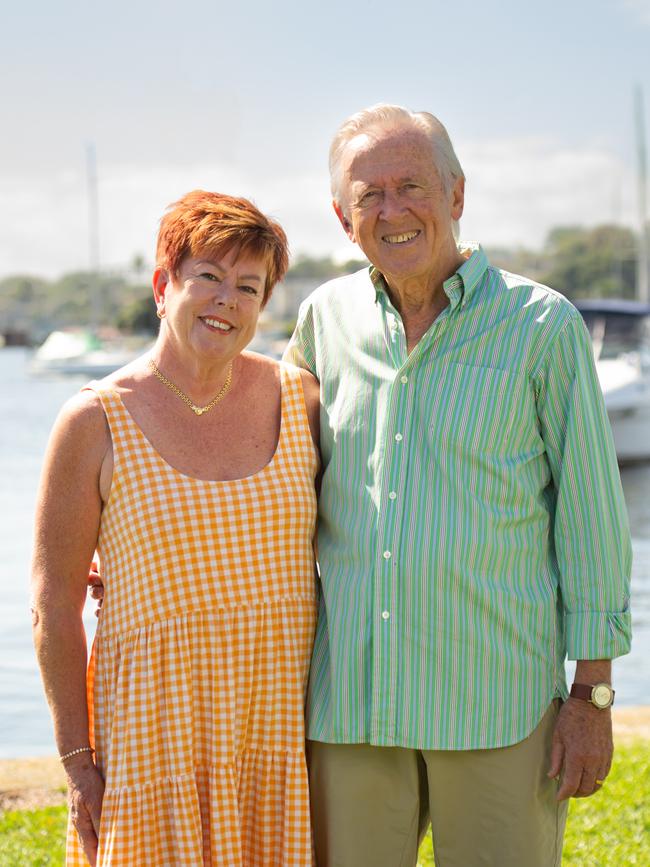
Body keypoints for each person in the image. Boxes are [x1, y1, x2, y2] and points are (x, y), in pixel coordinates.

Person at [283, 104, 632, 867]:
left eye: (411, 184)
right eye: (368, 194)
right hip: (352, 710)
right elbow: (270, 477)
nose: (391, 209)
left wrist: (592, 696)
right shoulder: (321, 321)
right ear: (343, 218)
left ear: (457, 194)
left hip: (496, 705)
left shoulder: (544, 326)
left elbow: (591, 525)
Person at [31, 190, 320, 866]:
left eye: (248, 286)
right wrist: (79, 766)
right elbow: (53, 606)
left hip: (280, 737)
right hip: (151, 747)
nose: (228, 300)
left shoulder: (300, 399)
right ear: (164, 286)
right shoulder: (94, 420)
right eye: (209, 278)